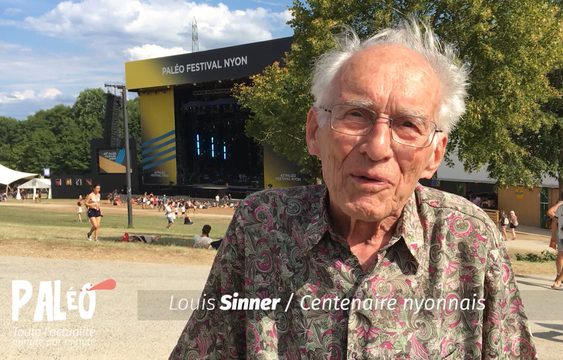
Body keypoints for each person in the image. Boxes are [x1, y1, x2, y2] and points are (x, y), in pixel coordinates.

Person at [169, 20, 535, 360]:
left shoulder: (469, 239)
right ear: (315, 131)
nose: (377, 147)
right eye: (356, 115)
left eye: (408, 124)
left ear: (434, 154)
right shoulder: (261, 225)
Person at [547, 199, 563, 285]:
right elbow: (550, 211)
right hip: (561, 231)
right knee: (562, 254)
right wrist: (561, 220)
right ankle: (559, 274)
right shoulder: (562, 202)